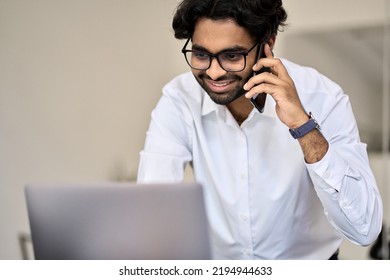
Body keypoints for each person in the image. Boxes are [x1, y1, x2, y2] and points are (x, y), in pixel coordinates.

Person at [137, 0, 383, 259]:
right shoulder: (180, 98)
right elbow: (152, 211)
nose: (214, 72)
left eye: (232, 56)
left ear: (268, 45)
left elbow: (364, 230)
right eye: (201, 55)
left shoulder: (324, 98)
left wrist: (303, 125)